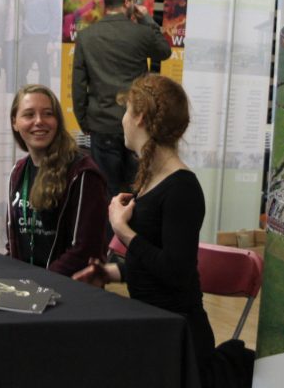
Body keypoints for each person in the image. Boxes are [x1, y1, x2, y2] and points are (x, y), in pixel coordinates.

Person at [73, 74, 253, 388]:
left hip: (177, 341)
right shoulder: (150, 179)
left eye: (127, 111)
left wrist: (122, 230)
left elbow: (175, 271)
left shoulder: (182, 187)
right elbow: (154, 263)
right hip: (156, 331)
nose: (124, 121)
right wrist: (110, 273)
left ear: (141, 117)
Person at [72, 0, 171, 200]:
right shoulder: (140, 33)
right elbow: (164, 51)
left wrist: (84, 122)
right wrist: (145, 18)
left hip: (102, 124)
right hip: (138, 123)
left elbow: (79, 83)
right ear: (127, 1)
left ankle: (108, 235)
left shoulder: (86, 37)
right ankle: (131, 234)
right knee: (138, 189)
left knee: (105, 191)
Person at [6, 84, 108, 276]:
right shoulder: (18, 172)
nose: (39, 121)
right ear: (15, 122)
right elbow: (14, 244)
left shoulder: (83, 173)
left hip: (69, 293)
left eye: (48, 114)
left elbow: (85, 251)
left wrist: (39, 283)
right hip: (27, 289)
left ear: (58, 121)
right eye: (29, 115)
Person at [17, 0, 60, 87]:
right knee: (20, 74)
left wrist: (52, 40)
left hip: (43, 39)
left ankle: (44, 102)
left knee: (44, 75)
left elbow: (55, 15)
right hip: (28, 38)